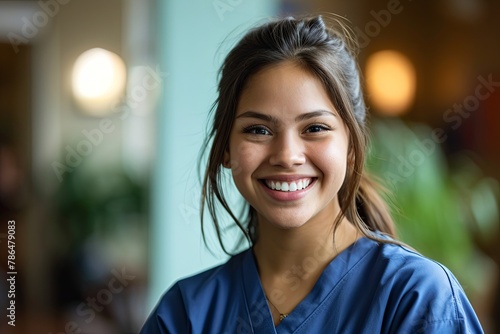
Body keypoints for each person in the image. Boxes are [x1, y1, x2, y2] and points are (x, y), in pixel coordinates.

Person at [140, 15, 484, 333]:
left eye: (315, 127)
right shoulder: (185, 314)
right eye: (258, 130)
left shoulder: (417, 298)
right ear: (226, 148)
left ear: (352, 146)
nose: (287, 156)